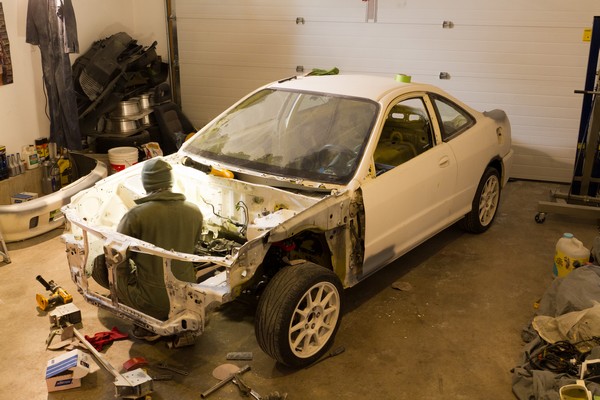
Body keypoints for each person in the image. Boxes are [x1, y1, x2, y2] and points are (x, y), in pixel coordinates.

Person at [92, 157, 203, 340]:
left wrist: (121, 284)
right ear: (169, 181)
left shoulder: (135, 215)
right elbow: (194, 248)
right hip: (188, 296)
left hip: (152, 302)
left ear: (146, 183)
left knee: (107, 266)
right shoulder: (195, 211)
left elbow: (116, 256)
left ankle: (146, 325)